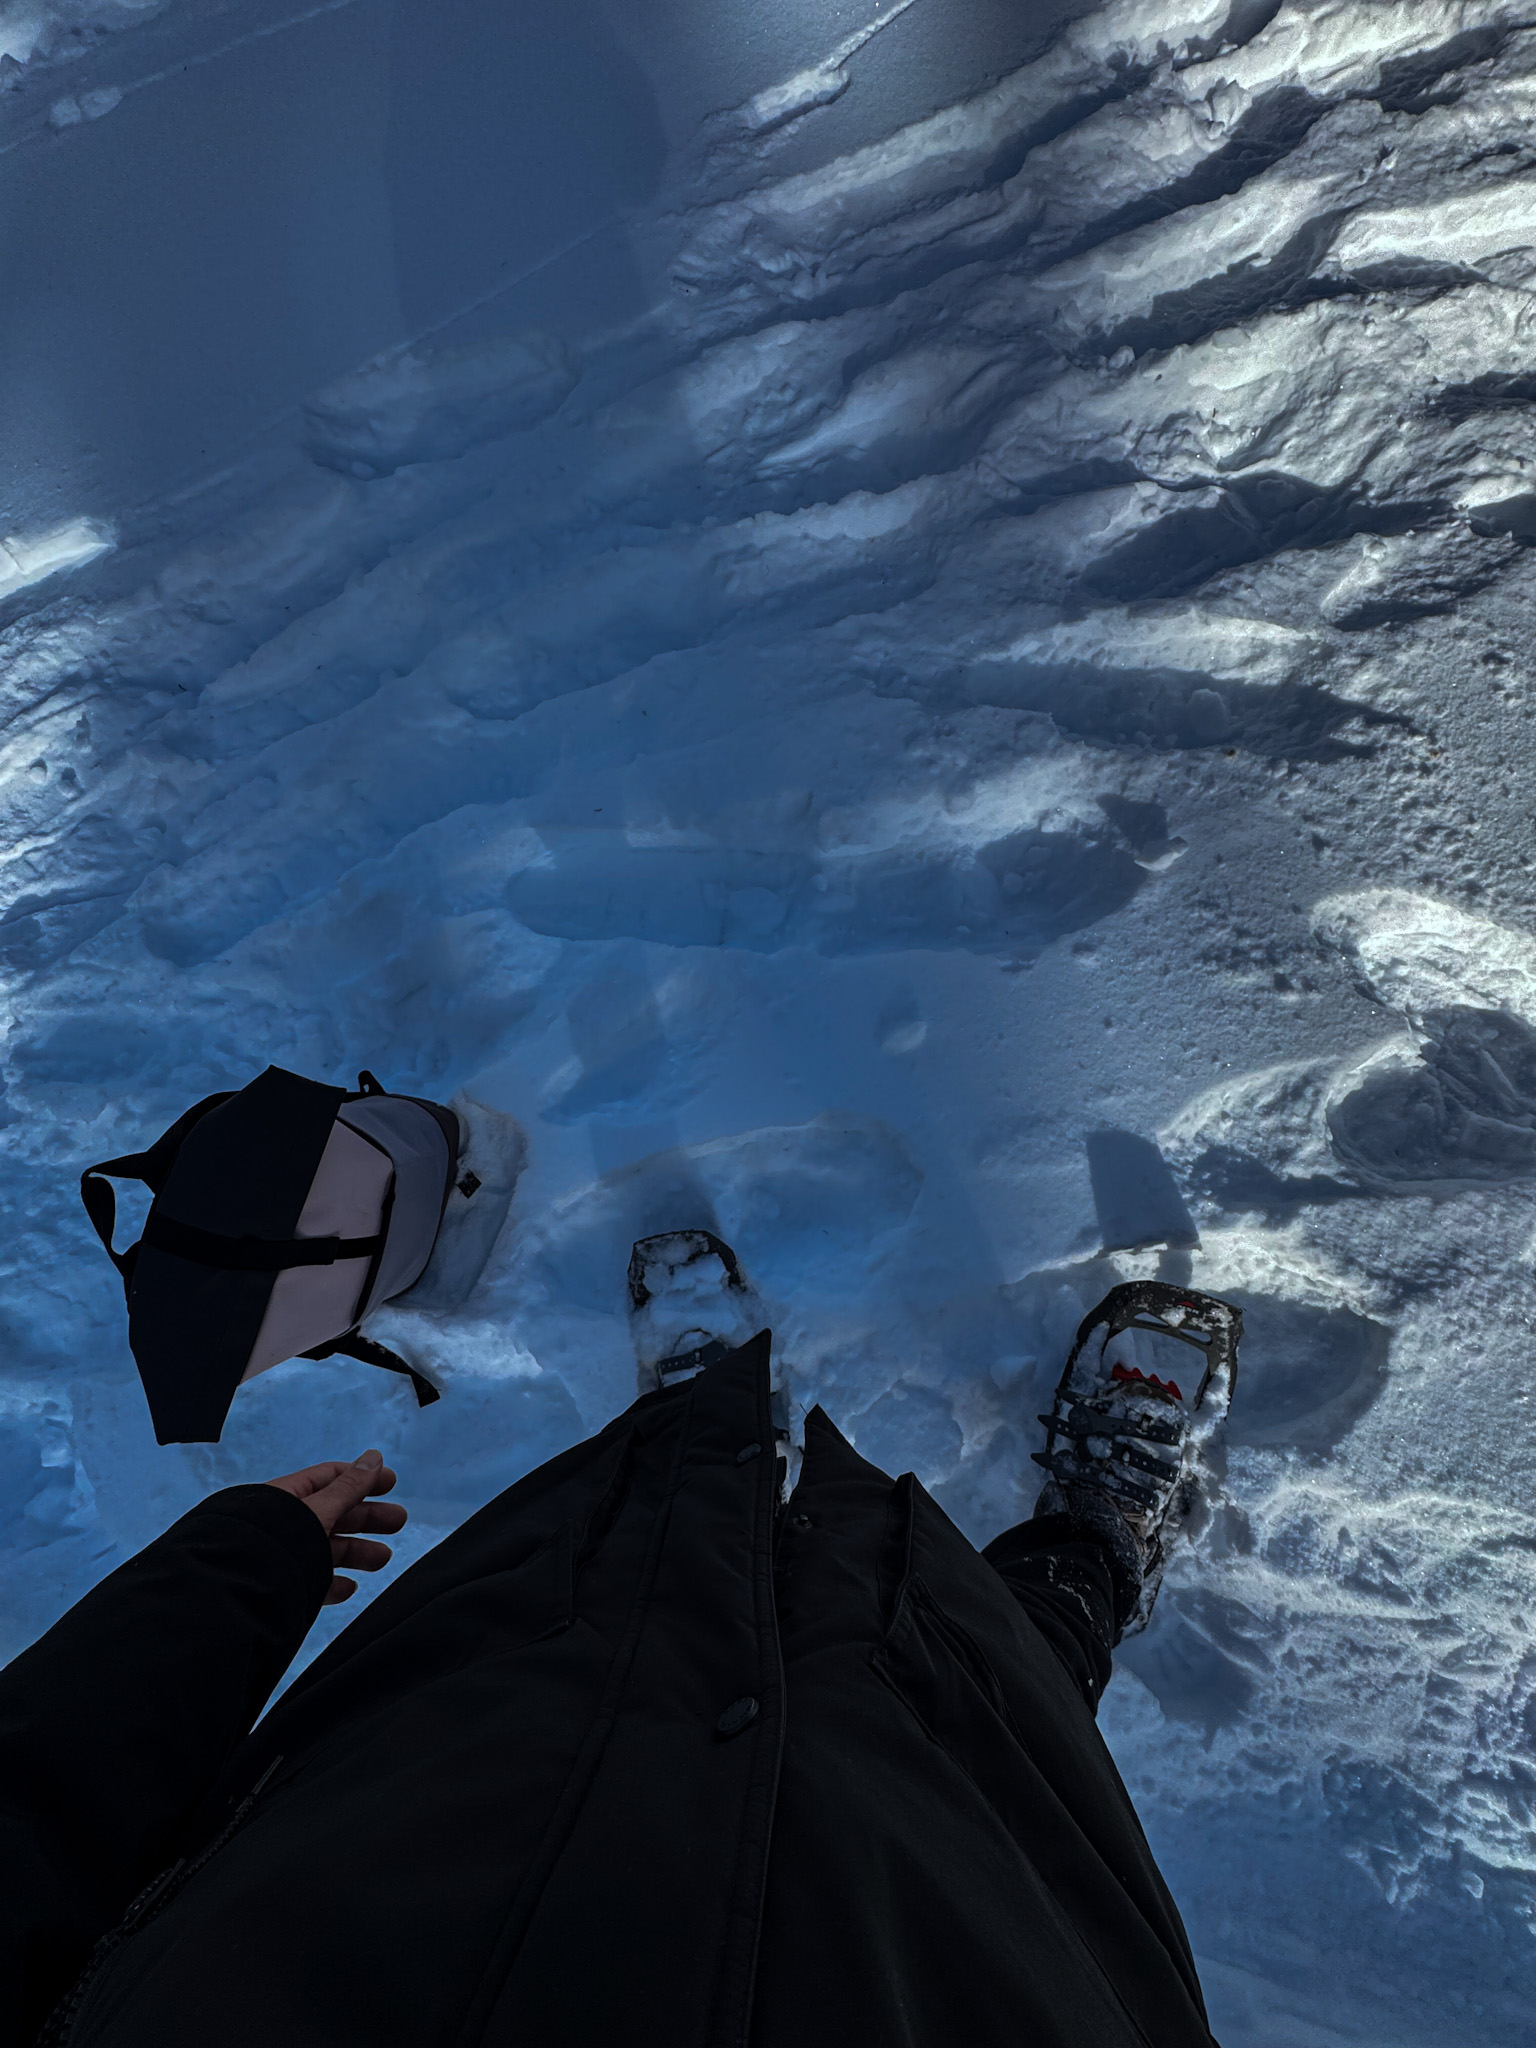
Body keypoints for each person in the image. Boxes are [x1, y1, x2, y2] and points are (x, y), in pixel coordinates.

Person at [3, 1246, 1221, 2048]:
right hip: (944, 1986)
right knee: (984, 1746)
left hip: (377, 1890)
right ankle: (1088, 1552)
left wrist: (239, 1573)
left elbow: (23, 1823)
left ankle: (693, 1451)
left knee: (599, 1617)